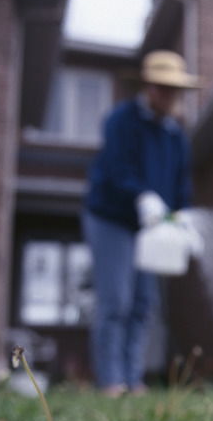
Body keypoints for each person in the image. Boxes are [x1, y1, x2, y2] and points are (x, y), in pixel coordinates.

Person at [83, 50, 200, 396]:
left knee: (143, 303)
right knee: (116, 299)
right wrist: (142, 195)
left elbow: (182, 186)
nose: (169, 95)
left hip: (150, 229)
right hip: (111, 218)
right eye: (163, 87)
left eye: (174, 89)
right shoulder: (122, 120)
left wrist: (183, 219)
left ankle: (133, 380)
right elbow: (118, 168)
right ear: (148, 86)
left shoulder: (176, 136)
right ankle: (111, 381)